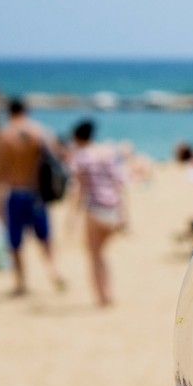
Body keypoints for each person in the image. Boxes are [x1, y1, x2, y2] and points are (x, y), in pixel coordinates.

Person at [0, 97, 65, 296]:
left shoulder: (4, 135)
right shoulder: (39, 132)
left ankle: (21, 282)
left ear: (9, 112)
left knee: (15, 242)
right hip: (37, 194)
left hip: (16, 193)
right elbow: (57, 156)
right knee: (45, 238)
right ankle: (54, 271)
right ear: (26, 111)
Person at [68, 119, 127, 307]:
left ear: (78, 137)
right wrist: (124, 214)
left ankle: (102, 297)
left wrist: (72, 217)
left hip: (95, 209)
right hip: (113, 209)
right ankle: (108, 293)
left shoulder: (81, 156)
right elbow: (119, 184)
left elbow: (80, 188)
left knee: (94, 255)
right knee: (102, 254)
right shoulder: (107, 152)